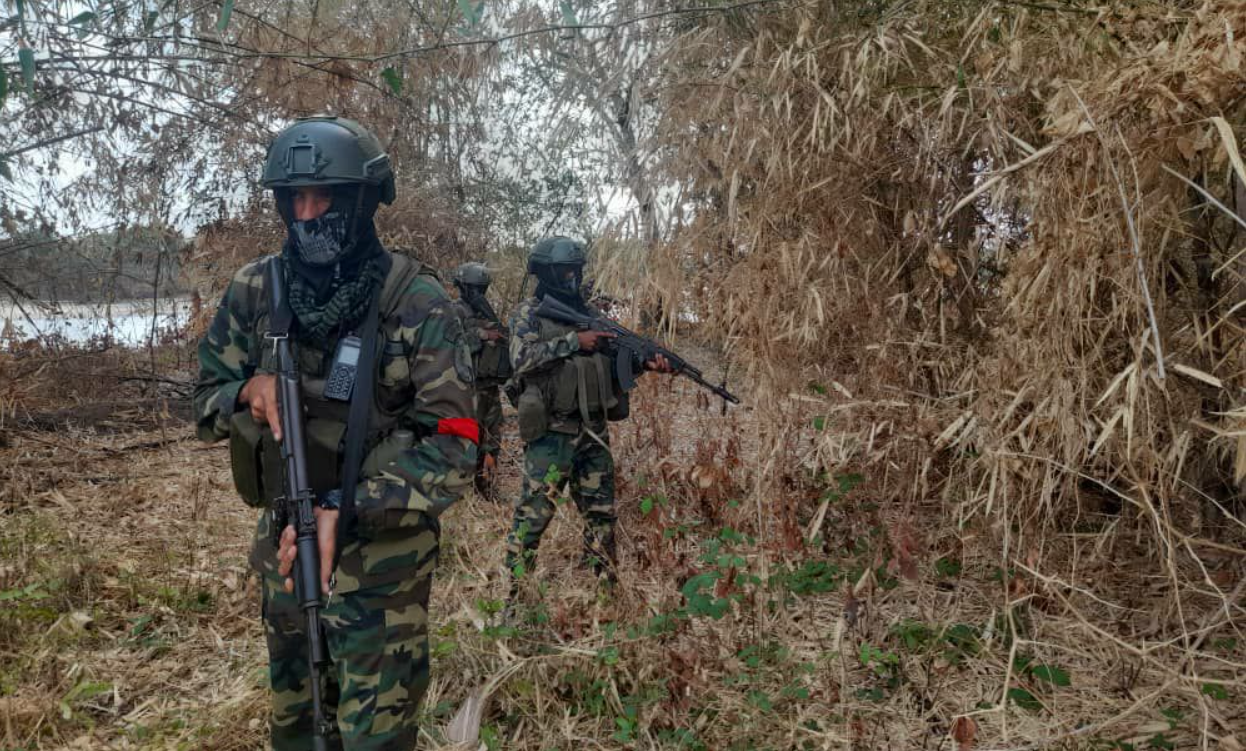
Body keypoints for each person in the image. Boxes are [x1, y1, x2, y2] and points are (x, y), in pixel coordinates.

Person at [193, 116, 478, 750]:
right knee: (296, 727)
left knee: (373, 738)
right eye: (294, 198)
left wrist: (349, 506)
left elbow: (456, 445)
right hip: (288, 553)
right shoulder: (256, 290)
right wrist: (247, 389)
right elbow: (201, 402)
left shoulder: (416, 301)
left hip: (384, 572)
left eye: (326, 198)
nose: (308, 213)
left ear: (365, 201)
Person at [503, 236, 670, 591]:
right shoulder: (528, 314)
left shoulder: (593, 316)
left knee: (601, 515)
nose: (571, 278)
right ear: (545, 272)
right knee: (532, 518)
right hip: (551, 433)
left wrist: (643, 362)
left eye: (575, 270)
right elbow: (520, 359)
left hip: (593, 432)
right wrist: (573, 342)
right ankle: (515, 598)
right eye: (564, 271)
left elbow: (611, 368)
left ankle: (605, 592)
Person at [449, 262, 511, 498]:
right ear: (463, 287)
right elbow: (452, 342)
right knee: (465, 436)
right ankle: (460, 493)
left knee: (492, 434)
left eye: (481, 289)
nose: (478, 293)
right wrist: (483, 334)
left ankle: (486, 489)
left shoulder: (483, 312)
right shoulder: (454, 310)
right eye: (474, 288)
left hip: (488, 384)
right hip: (465, 386)